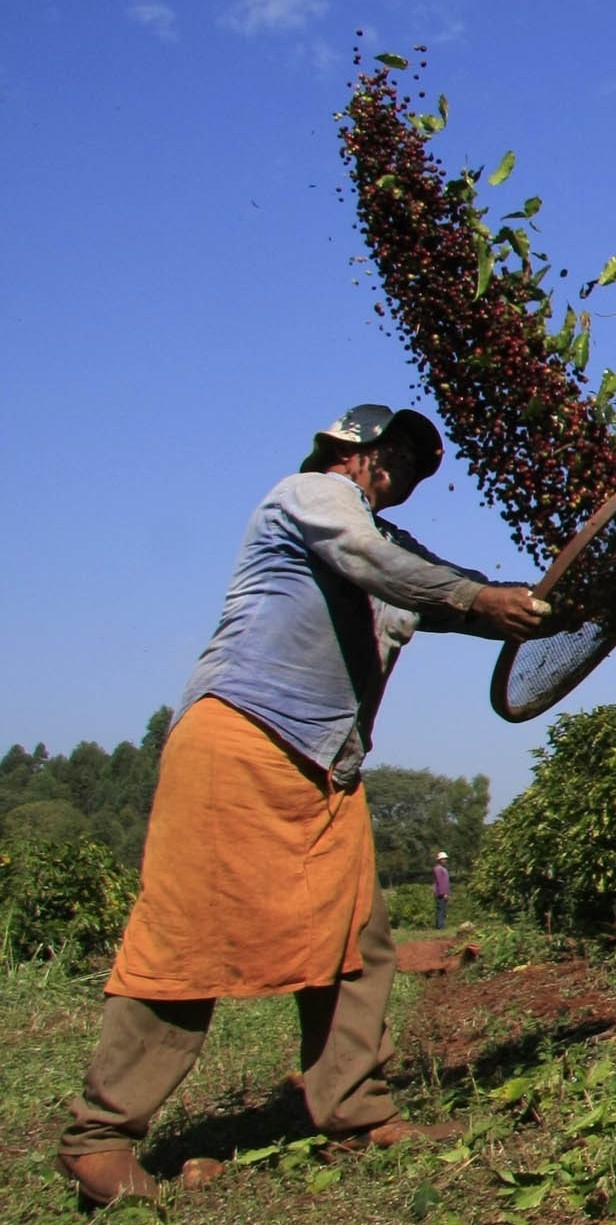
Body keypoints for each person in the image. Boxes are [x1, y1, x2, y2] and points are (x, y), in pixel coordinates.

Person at [57, 405, 547, 1207]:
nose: (407, 471)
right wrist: (476, 594)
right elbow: (380, 563)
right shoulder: (311, 497)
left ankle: (355, 1110)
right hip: (243, 737)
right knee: (187, 941)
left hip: (327, 767)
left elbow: (462, 602)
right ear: (351, 449)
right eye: (396, 451)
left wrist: (561, 604)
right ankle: (100, 1134)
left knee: (358, 942)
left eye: (422, 465)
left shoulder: (397, 552)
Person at [432, 851, 450, 930]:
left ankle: (441, 924)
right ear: (439, 860)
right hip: (440, 893)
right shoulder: (438, 869)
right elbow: (440, 882)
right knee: (440, 909)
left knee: (443, 909)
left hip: (444, 892)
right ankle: (440, 926)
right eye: (443, 859)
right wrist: (444, 893)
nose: (445, 860)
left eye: (445, 859)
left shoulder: (443, 869)